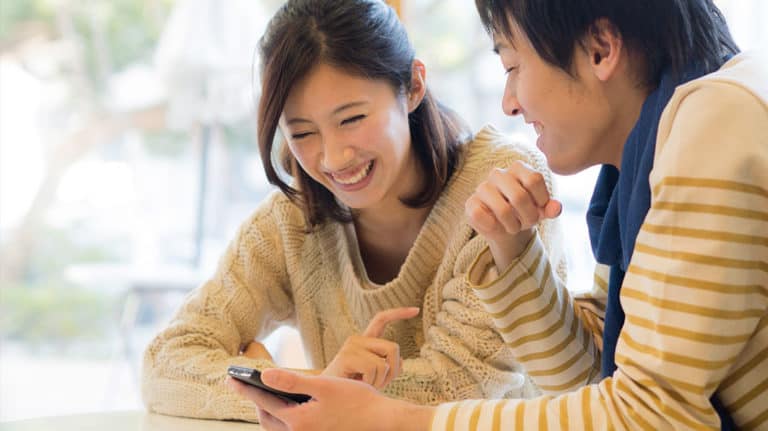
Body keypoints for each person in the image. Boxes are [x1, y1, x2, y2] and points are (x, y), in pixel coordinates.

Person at [227, 0, 768, 429]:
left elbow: (654, 416)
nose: (509, 101)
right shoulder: (645, 158)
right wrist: (514, 257)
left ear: (601, 48)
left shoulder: (711, 122)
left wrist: (395, 421)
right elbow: (594, 382)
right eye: (301, 134)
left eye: (513, 65)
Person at [142, 0, 567, 422]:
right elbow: (166, 362)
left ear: (414, 87)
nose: (332, 157)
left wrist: (303, 391)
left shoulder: (502, 186)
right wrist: (306, 385)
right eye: (302, 132)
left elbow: (465, 384)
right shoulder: (292, 221)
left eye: (351, 119)